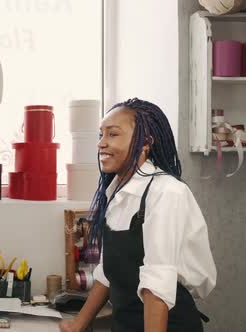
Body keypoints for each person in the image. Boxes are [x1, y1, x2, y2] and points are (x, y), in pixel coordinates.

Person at [59, 98, 216, 332]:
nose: (101, 143)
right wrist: (78, 325)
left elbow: (157, 287)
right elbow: (107, 272)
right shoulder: (116, 193)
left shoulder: (166, 192)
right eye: (100, 135)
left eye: (113, 134)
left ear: (145, 142)